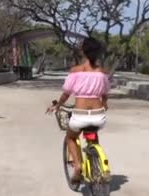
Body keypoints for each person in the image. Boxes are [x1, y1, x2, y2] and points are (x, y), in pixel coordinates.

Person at [47, 37, 110, 183]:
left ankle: (77, 166)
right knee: (92, 134)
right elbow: (105, 94)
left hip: (80, 115)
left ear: (83, 51)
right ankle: (97, 161)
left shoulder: (76, 71)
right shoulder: (103, 72)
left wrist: (57, 105)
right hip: (98, 116)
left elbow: (66, 93)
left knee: (71, 137)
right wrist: (105, 103)